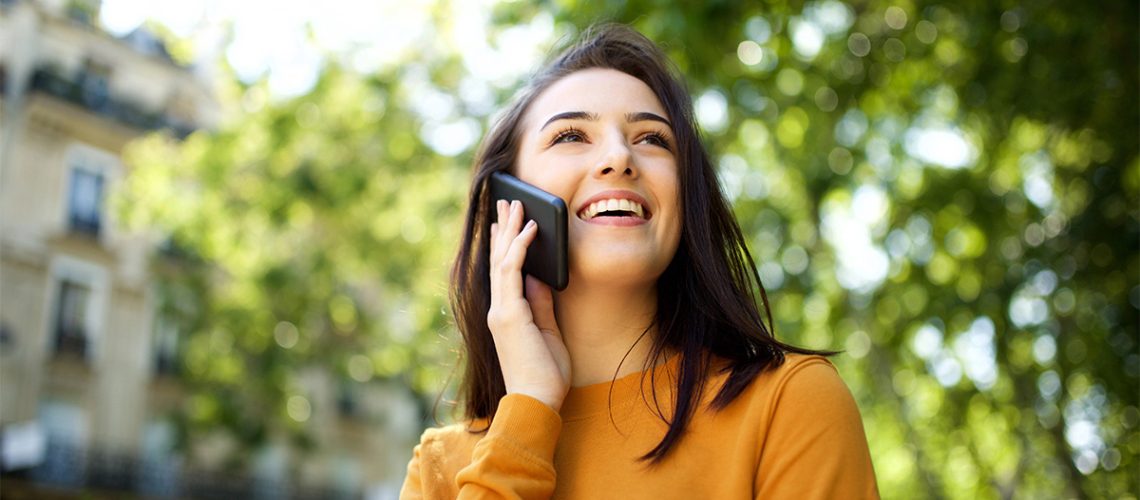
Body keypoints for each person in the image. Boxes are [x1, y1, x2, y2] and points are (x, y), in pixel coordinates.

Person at [400, 24, 879, 499]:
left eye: (652, 139)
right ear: (509, 197)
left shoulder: (791, 404)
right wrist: (528, 412)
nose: (619, 157)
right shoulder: (440, 469)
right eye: (571, 135)